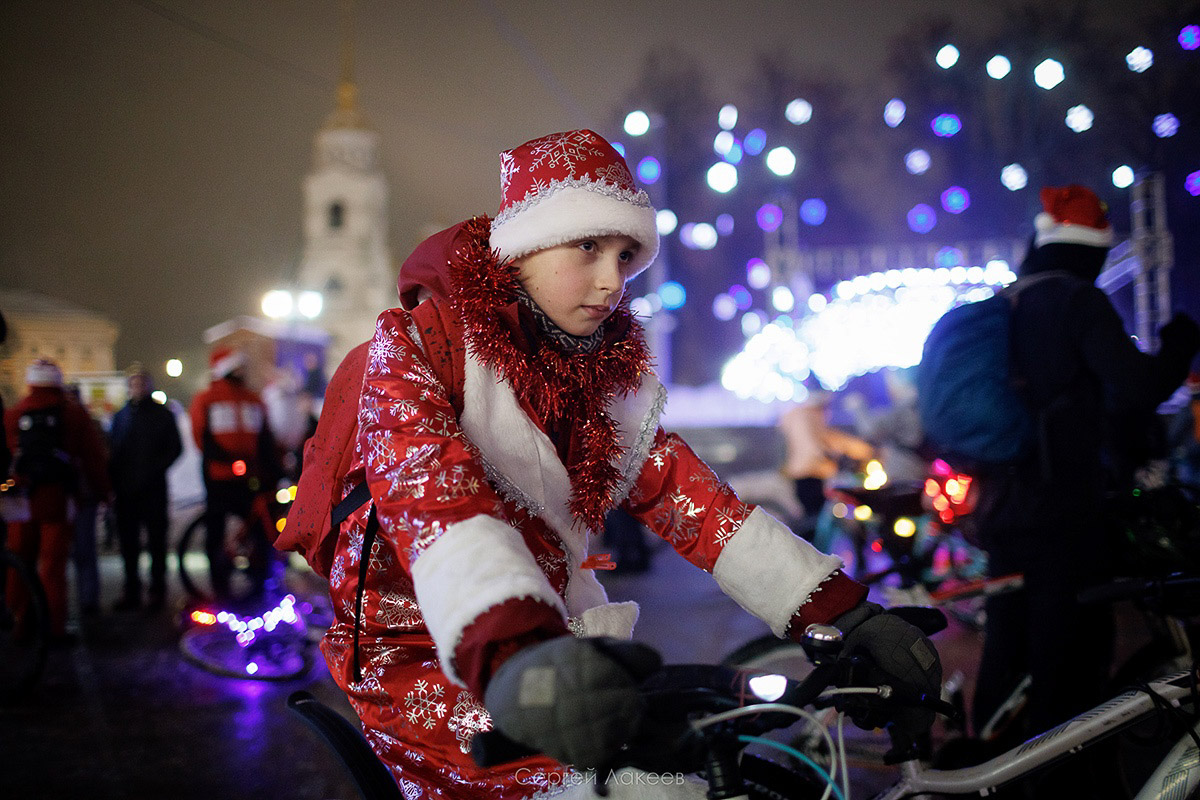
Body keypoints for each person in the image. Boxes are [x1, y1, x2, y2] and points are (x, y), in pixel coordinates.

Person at [306, 129, 941, 798]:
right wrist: (514, 655)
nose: (613, 280)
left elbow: (692, 502)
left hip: (546, 648)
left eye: (626, 253)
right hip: (423, 659)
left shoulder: (594, 382)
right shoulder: (418, 349)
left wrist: (839, 611)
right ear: (523, 247)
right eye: (588, 246)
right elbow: (435, 500)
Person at [969, 185, 1200, 798]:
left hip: (1005, 509)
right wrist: (1179, 342)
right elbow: (1136, 387)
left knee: (1008, 650)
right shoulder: (1078, 302)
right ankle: (1058, 789)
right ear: (1093, 251)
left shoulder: (1009, 301)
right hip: (1065, 515)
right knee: (1068, 671)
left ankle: (982, 775)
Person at [5, 358, 109, 644]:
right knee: (52, 565)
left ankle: (17, 622)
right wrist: (103, 493)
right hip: (57, 497)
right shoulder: (73, 413)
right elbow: (93, 458)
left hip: (21, 499)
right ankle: (54, 628)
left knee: (20, 561)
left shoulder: (15, 413)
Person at [188, 346, 279, 604]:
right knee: (215, 533)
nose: (243, 371)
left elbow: (264, 437)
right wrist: (225, 459)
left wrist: (270, 467)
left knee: (259, 529)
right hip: (218, 477)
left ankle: (258, 585)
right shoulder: (206, 399)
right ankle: (220, 588)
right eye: (237, 366)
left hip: (250, 477)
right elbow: (201, 436)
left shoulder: (253, 399)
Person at [108, 364, 183, 612]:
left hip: (153, 489)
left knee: (156, 542)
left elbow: (175, 448)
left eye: (141, 382)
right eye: (134, 383)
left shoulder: (162, 414)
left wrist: (155, 468)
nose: (137, 387)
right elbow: (114, 451)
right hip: (127, 491)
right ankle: (132, 591)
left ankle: (157, 591)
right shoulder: (121, 416)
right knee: (129, 544)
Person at [778, 390, 874, 540]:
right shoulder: (809, 417)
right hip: (811, 474)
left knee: (814, 517)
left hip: (801, 474)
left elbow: (833, 439)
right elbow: (818, 444)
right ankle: (814, 553)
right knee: (816, 519)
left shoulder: (801, 416)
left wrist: (864, 450)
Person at [64, 382, 108, 615]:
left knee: (78, 550)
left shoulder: (82, 424)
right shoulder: (88, 424)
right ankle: (86, 600)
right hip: (81, 495)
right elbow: (97, 461)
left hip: (73, 495)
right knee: (84, 549)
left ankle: (78, 602)